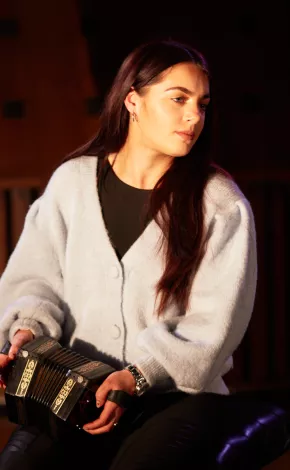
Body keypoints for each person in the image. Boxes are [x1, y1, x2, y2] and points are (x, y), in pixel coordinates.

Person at [0, 39, 257, 469]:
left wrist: (137, 377)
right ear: (132, 101)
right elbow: (36, 279)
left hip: (176, 398)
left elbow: (215, 324)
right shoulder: (72, 182)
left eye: (202, 104)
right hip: (77, 391)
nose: (194, 116)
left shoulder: (220, 203)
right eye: (178, 99)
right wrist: (27, 331)